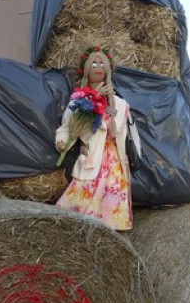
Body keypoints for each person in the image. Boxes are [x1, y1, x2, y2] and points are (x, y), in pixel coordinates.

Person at [54, 47, 135, 231]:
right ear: (86, 70)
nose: (98, 67)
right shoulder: (78, 101)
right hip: (91, 156)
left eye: (101, 64)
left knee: (111, 200)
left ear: (107, 70)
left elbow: (115, 133)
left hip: (112, 161)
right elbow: (68, 126)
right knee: (80, 199)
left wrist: (110, 112)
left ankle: (110, 235)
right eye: (94, 63)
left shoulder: (119, 104)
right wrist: (63, 141)